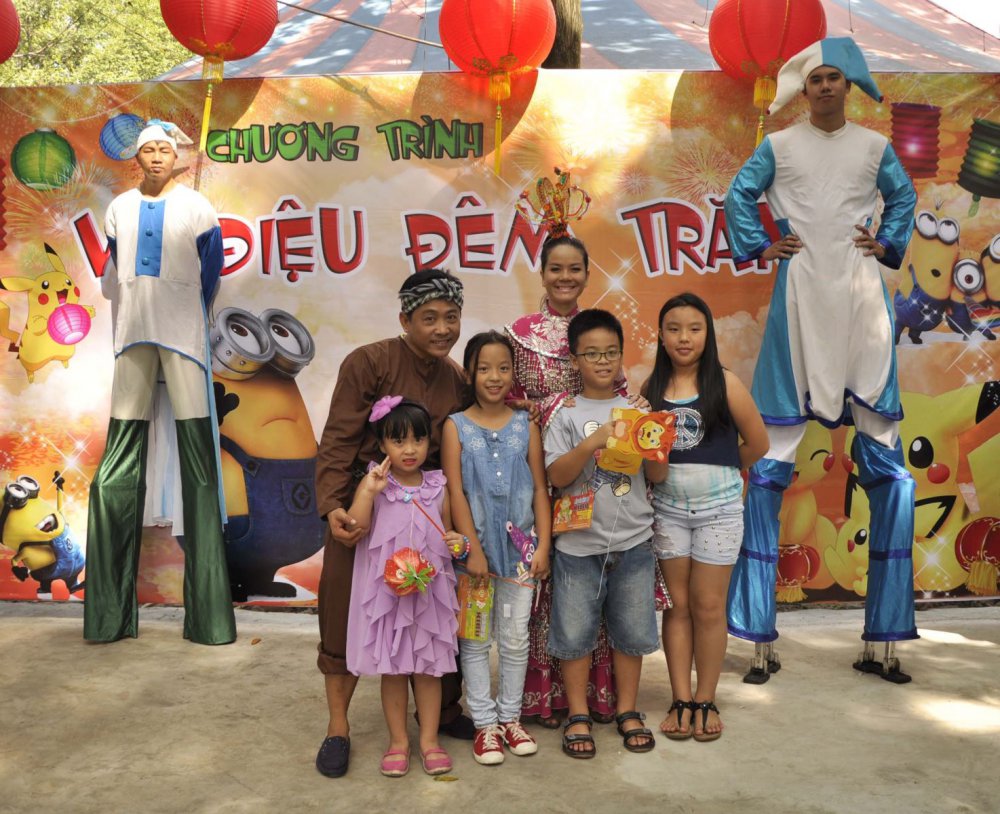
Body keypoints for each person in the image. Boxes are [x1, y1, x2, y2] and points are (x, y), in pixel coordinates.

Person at [723, 37, 919, 683]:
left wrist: (887, 241)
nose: (827, 87)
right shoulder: (779, 145)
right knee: (770, 467)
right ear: (804, 88)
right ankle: (758, 640)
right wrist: (761, 244)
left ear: (849, 85)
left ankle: (885, 641)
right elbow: (738, 194)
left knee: (889, 471)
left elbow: (903, 199)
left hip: (863, 309)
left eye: (836, 77)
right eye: (817, 79)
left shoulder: (874, 146)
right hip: (799, 307)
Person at [314, 269, 473, 779]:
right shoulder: (369, 362)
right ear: (405, 320)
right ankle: (338, 727)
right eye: (429, 318)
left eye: (451, 317)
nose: (443, 329)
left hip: (426, 517)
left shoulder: (456, 378)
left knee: (434, 616)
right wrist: (333, 508)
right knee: (343, 615)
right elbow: (338, 439)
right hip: (363, 512)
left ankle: (440, 717)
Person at [84, 120, 236, 646]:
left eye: (163, 151)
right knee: (118, 461)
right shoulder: (119, 208)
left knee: (199, 464)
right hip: (132, 335)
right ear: (137, 158)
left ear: (177, 158)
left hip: (183, 335)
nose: (155, 158)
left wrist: (183, 308)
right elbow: (115, 269)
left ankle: (209, 620)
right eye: (147, 150)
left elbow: (211, 272)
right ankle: (108, 616)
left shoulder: (197, 207)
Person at [507, 234, 630, 727]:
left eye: (574, 269)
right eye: (555, 268)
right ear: (541, 273)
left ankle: (595, 696)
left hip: (591, 475)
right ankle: (546, 697)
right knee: (543, 582)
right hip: (536, 467)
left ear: (586, 273)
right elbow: (503, 393)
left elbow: (617, 394)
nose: (565, 277)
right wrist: (536, 409)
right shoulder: (519, 333)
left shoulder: (596, 331)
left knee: (589, 582)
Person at [643, 293, 768, 742]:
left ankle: (706, 699)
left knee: (709, 607)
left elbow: (758, 444)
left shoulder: (725, 383)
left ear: (707, 334)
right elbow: (649, 459)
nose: (684, 337)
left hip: (720, 513)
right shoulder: (650, 390)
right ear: (661, 335)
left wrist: (724, 472)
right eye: (674, 328)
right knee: (678, 607)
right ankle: (681, 699)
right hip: (668, 513)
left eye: (694, 329)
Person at [544, 308, 667, 759]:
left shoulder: (638, 410)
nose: (602, 361)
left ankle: (627, 710)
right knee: (574, 634)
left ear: (621, 355)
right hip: (577, 546)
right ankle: (578, 713)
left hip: (633, 542)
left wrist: (653, 443)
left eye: (611, 352)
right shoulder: (565, 414)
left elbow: (658, 477)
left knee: (632, 632)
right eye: (592, 353)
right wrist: (592, 443)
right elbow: (557, 477)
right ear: (574, 359)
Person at [442, 331, 552, 765]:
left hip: (522, 555)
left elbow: (540, 488)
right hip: (474, 559)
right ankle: (484, 724)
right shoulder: (455, 426)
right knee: (473, 640)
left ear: (513, 374)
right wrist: (473, 550)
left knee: (515, 638)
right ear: (470, 373)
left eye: (503, 368)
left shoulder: (526, 425)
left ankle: (510, 718)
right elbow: (455, 491)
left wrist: (543, 545)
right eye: (484, 368)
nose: (494, 377)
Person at [345, 398, 464, 777]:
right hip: (389, 598)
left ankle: (429, 741)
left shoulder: (438, 486)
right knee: (394, 671)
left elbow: (449, 533)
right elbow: (356, 526)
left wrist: (458, 543)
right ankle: (398, 742)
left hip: (429, 595)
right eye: (398, 441)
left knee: (429, 671)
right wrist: (368, 491)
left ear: (429, 442)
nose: (409, 449)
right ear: (382, 444)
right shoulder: (377, 483)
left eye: (418, 440)